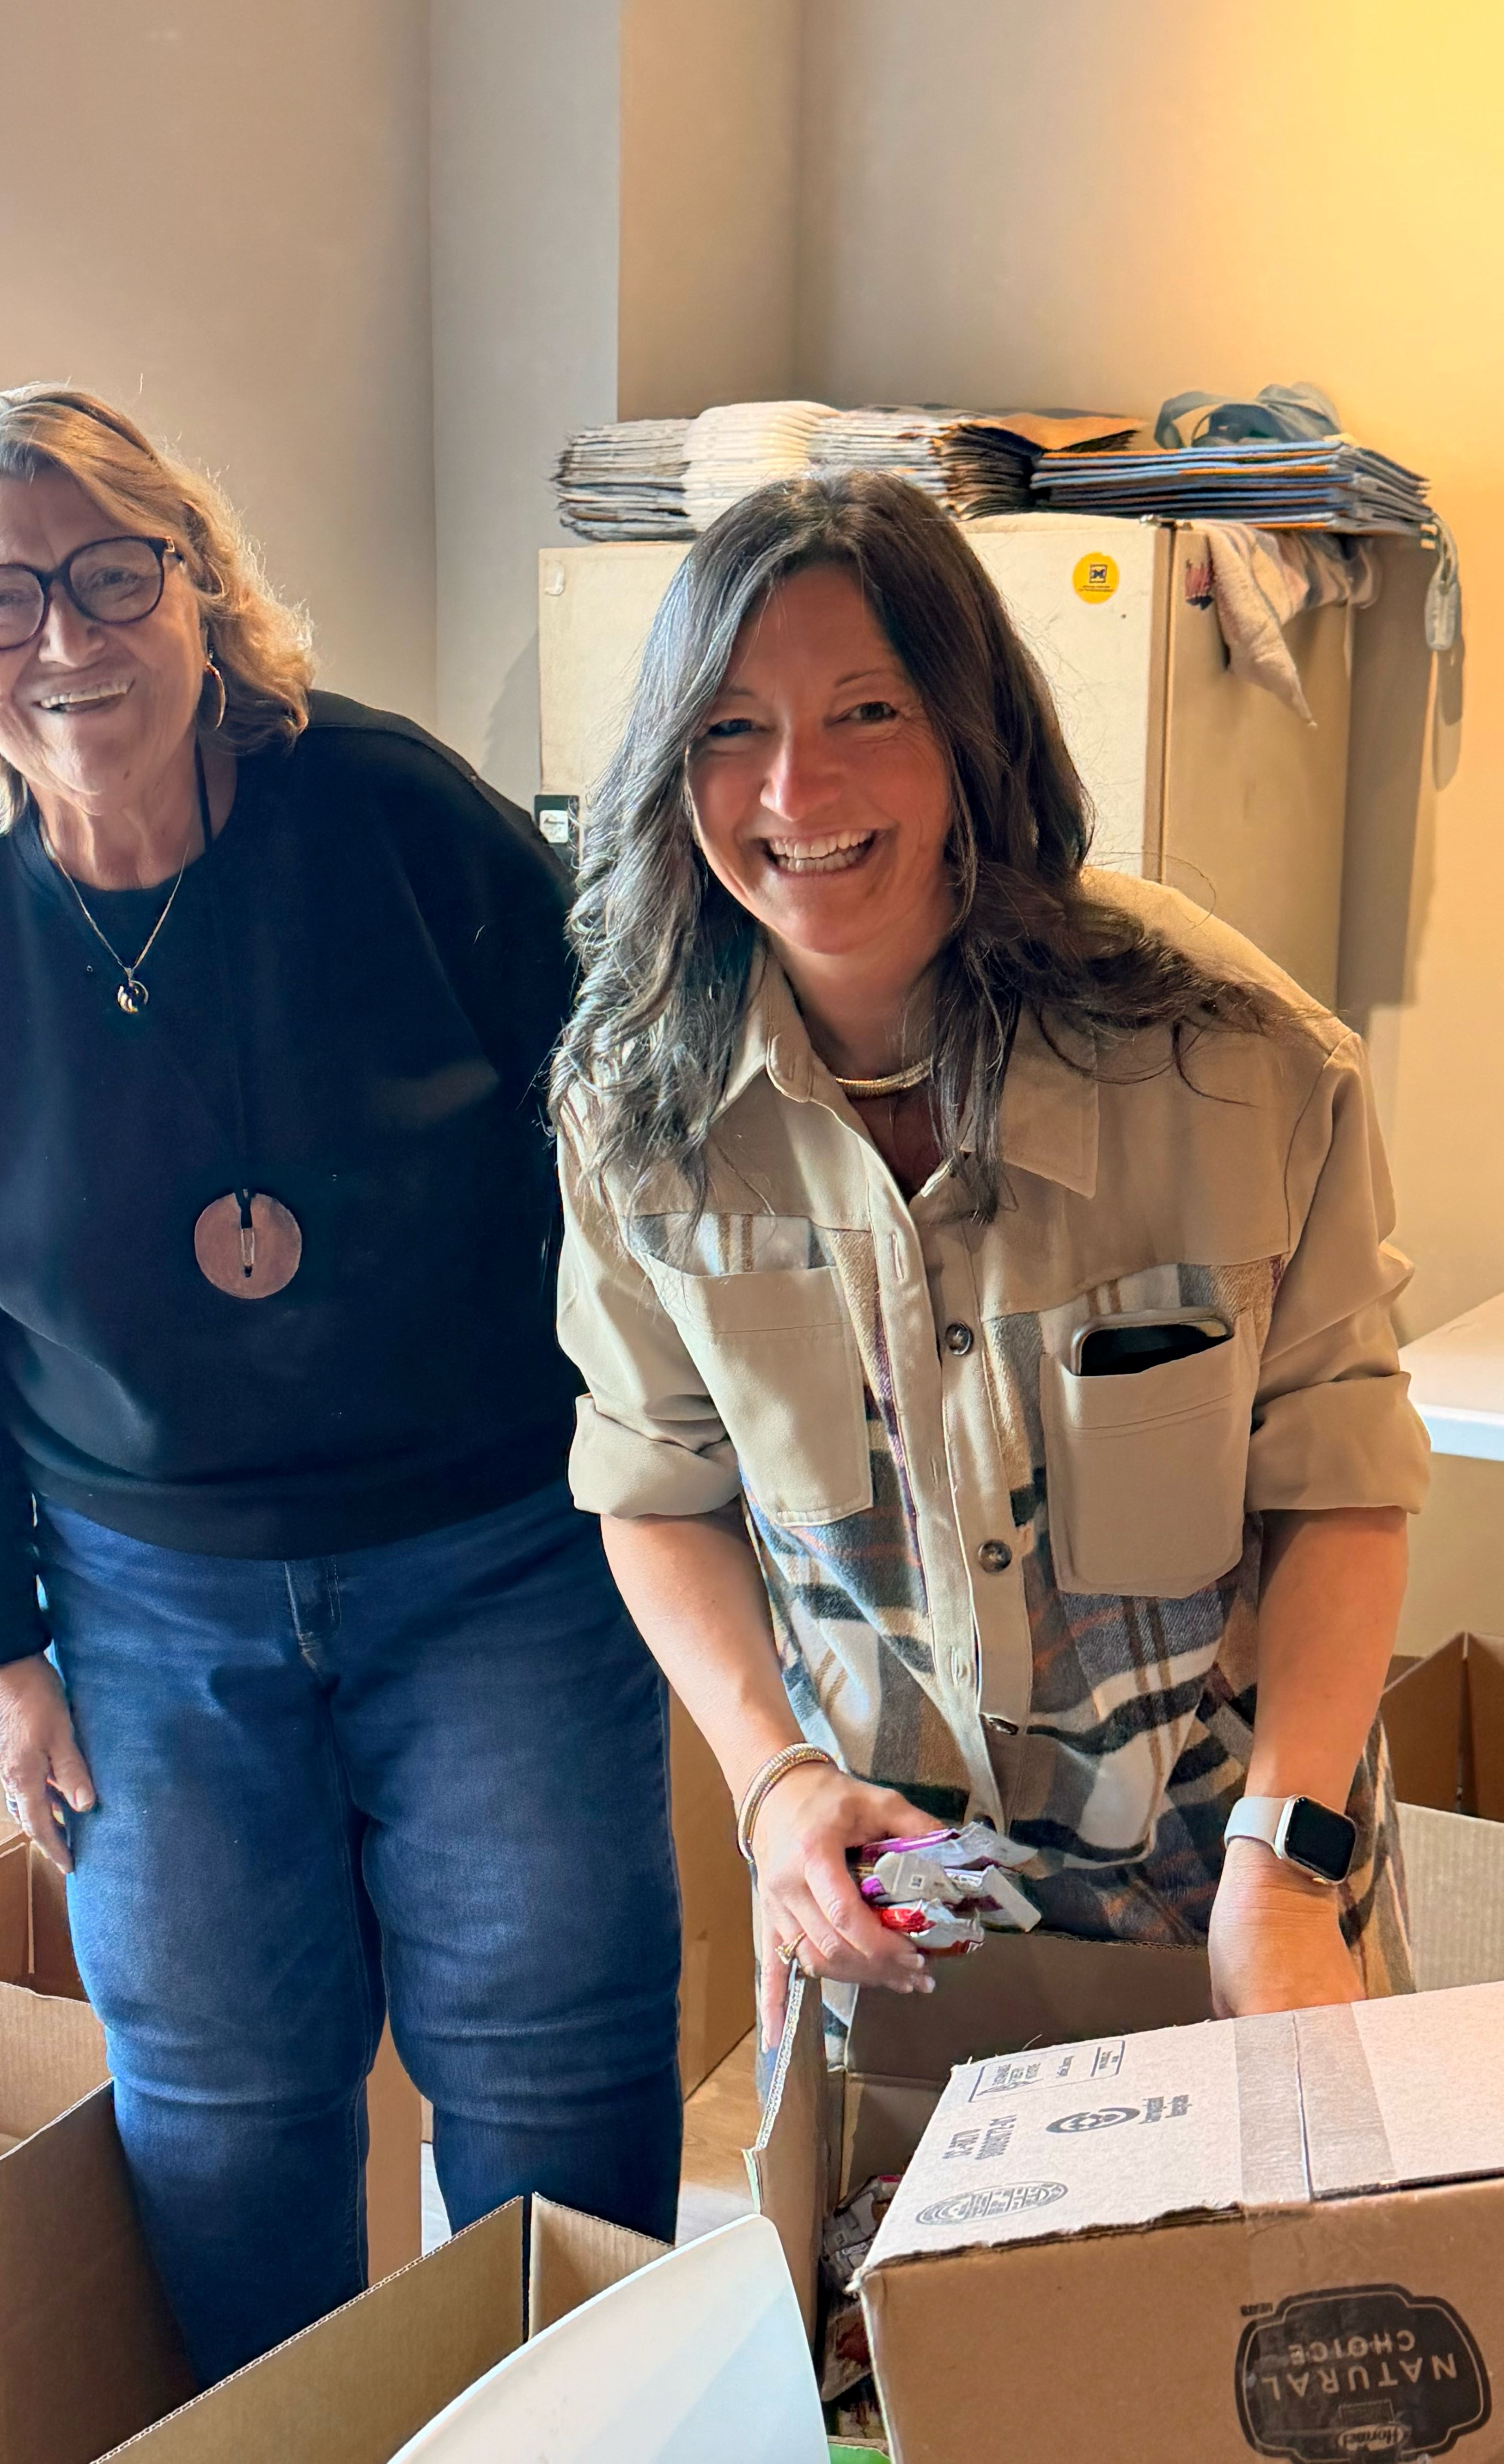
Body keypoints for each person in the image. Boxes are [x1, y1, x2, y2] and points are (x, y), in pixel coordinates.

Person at [0, 383, 681, 2381]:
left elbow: (624, 1143)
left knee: (554, 2087)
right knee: (220, 2118)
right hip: (145, 1605)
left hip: (497, 1557)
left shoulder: (392, 819)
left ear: (198, 583)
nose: (66, 637)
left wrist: (692, 1489)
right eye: (2, 597)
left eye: (112, 572)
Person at [552, 471, 1429, 2054]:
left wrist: (1291, 1866)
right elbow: (654, 1491)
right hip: (907, 1880)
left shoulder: (1235, 1065)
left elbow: (1342, 1480)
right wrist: (777, 1781)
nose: (795, 787)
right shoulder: (637, 1112)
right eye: (730, 728)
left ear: (974, 738)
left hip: (1232, 1855)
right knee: (907, 2284)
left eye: (870, 709)